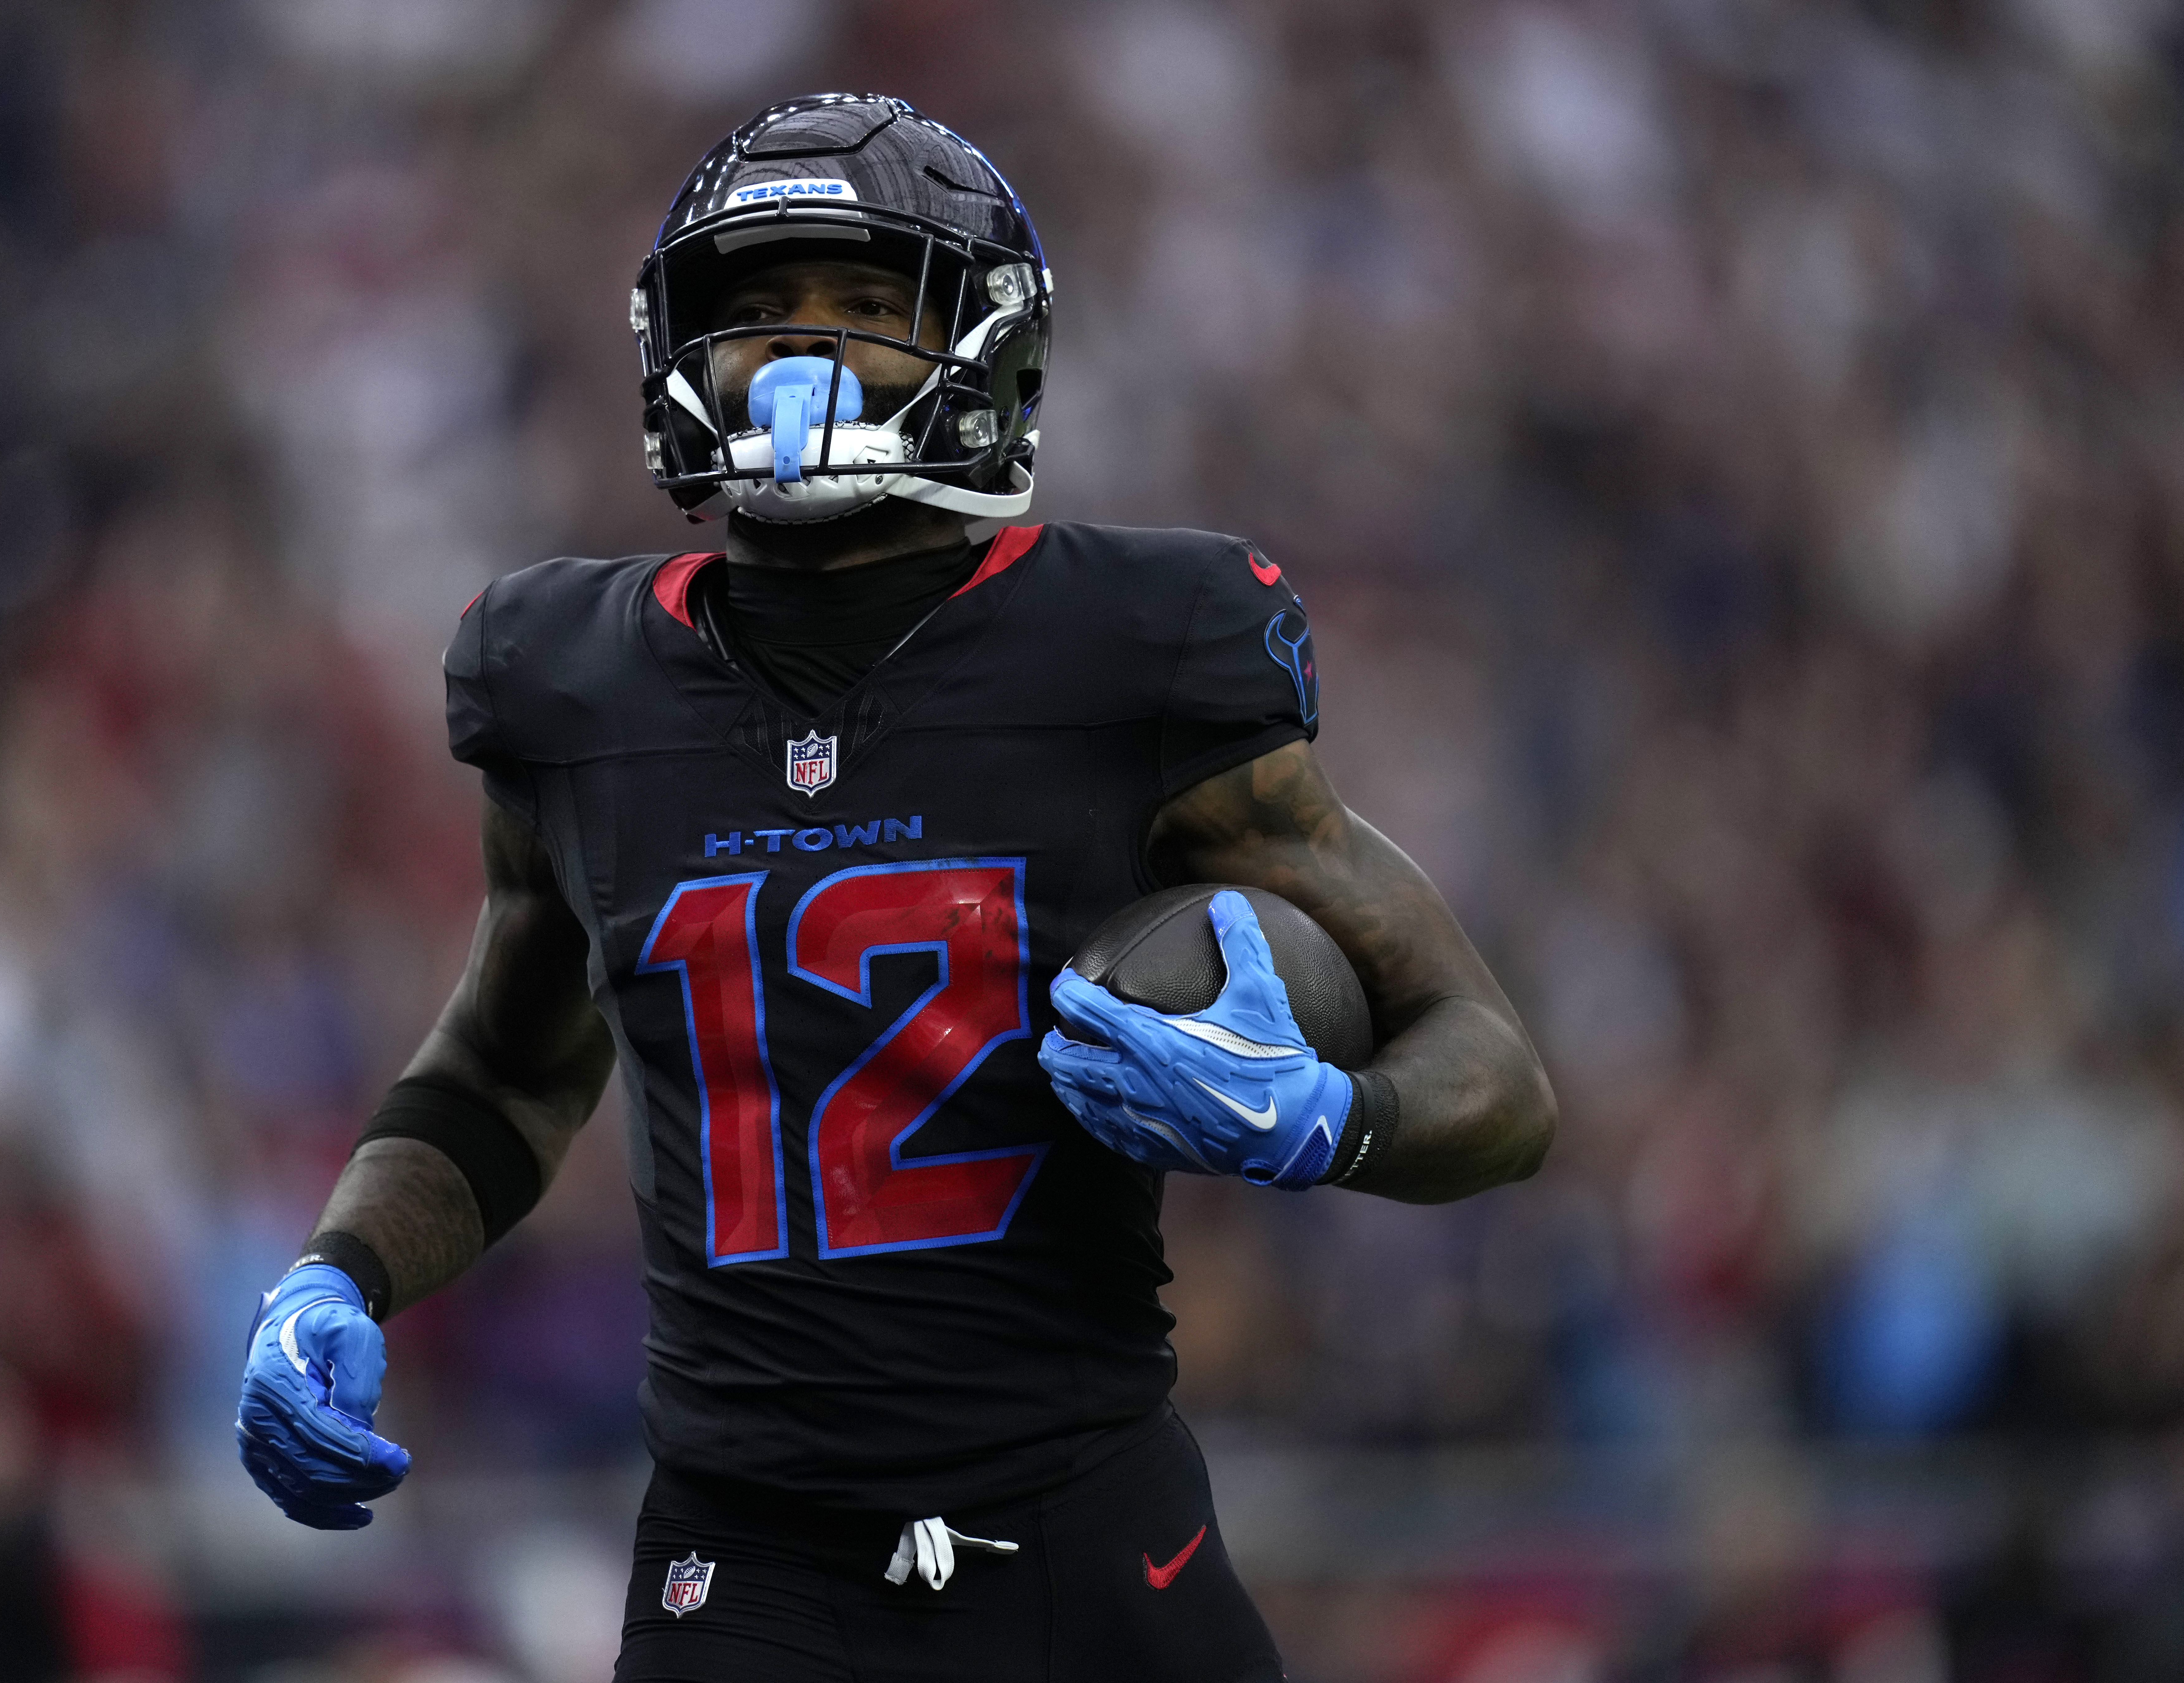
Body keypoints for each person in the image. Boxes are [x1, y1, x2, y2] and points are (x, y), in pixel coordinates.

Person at [234, 94, 1555, 1683]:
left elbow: (1494, 1074)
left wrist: (1329, 1120)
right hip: (747, 1563)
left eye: (867, 302)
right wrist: (337, 1271)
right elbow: (504, 1076)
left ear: (986, 345)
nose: (806, 351)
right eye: (761, 308)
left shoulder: (1136, 646)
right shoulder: (569, 680)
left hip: (1083, 1532)